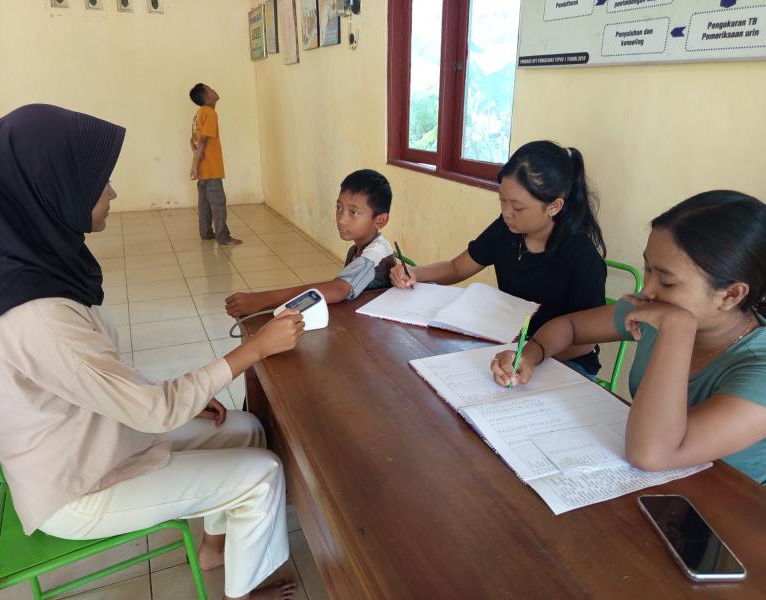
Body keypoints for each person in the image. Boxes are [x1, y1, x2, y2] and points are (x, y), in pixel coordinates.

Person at [0, 104, 302, 600]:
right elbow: (151, 409)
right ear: (52, 191)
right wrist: (255, 348)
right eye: (99, 182)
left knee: (247, 429)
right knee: (263, 475)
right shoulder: (38, 315)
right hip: (75, 488)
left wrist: (182, 398)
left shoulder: (40, 268)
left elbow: (102, 378)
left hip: (94, 439)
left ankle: (213, 550)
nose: (113, 193)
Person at [491, 191, 766, 484]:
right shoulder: (659, 308)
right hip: (644, 484)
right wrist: (530, 354)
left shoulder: (754, 367)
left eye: (667, 281)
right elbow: (570, 326)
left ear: (731, 295)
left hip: (724, 501)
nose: (647, 289)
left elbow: (652, 454)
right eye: (648, 269)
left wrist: (676, 329)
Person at [391, 140, 607, 378]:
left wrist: (527, 356)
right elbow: (456, 267)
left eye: (518, 207)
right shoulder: (506, 230)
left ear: (554, 206)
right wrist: (415, 273)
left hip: (565, 361)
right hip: (509, 347)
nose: (506, 213)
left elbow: (584, 343)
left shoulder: (582, 258)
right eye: (502, 200)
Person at [225, 169, 396, 317]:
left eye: (354, 212)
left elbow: (337, 290)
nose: (341, 219)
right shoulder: (356, 249)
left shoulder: (374, 255)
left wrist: (262, 300)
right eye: (339, 208)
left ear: (380, 220)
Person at [189, 83, 242, 246]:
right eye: (211, 89)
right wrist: (195, 164)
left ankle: (206, 233)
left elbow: (192, 140)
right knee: (218, 203)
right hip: (211, 168)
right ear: (207, 97)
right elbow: (203, 139)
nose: (214, 90)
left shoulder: (198, 114)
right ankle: (223, 236)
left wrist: (196, 161)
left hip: (202, 168)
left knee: (204, 203)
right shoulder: (210, 113)